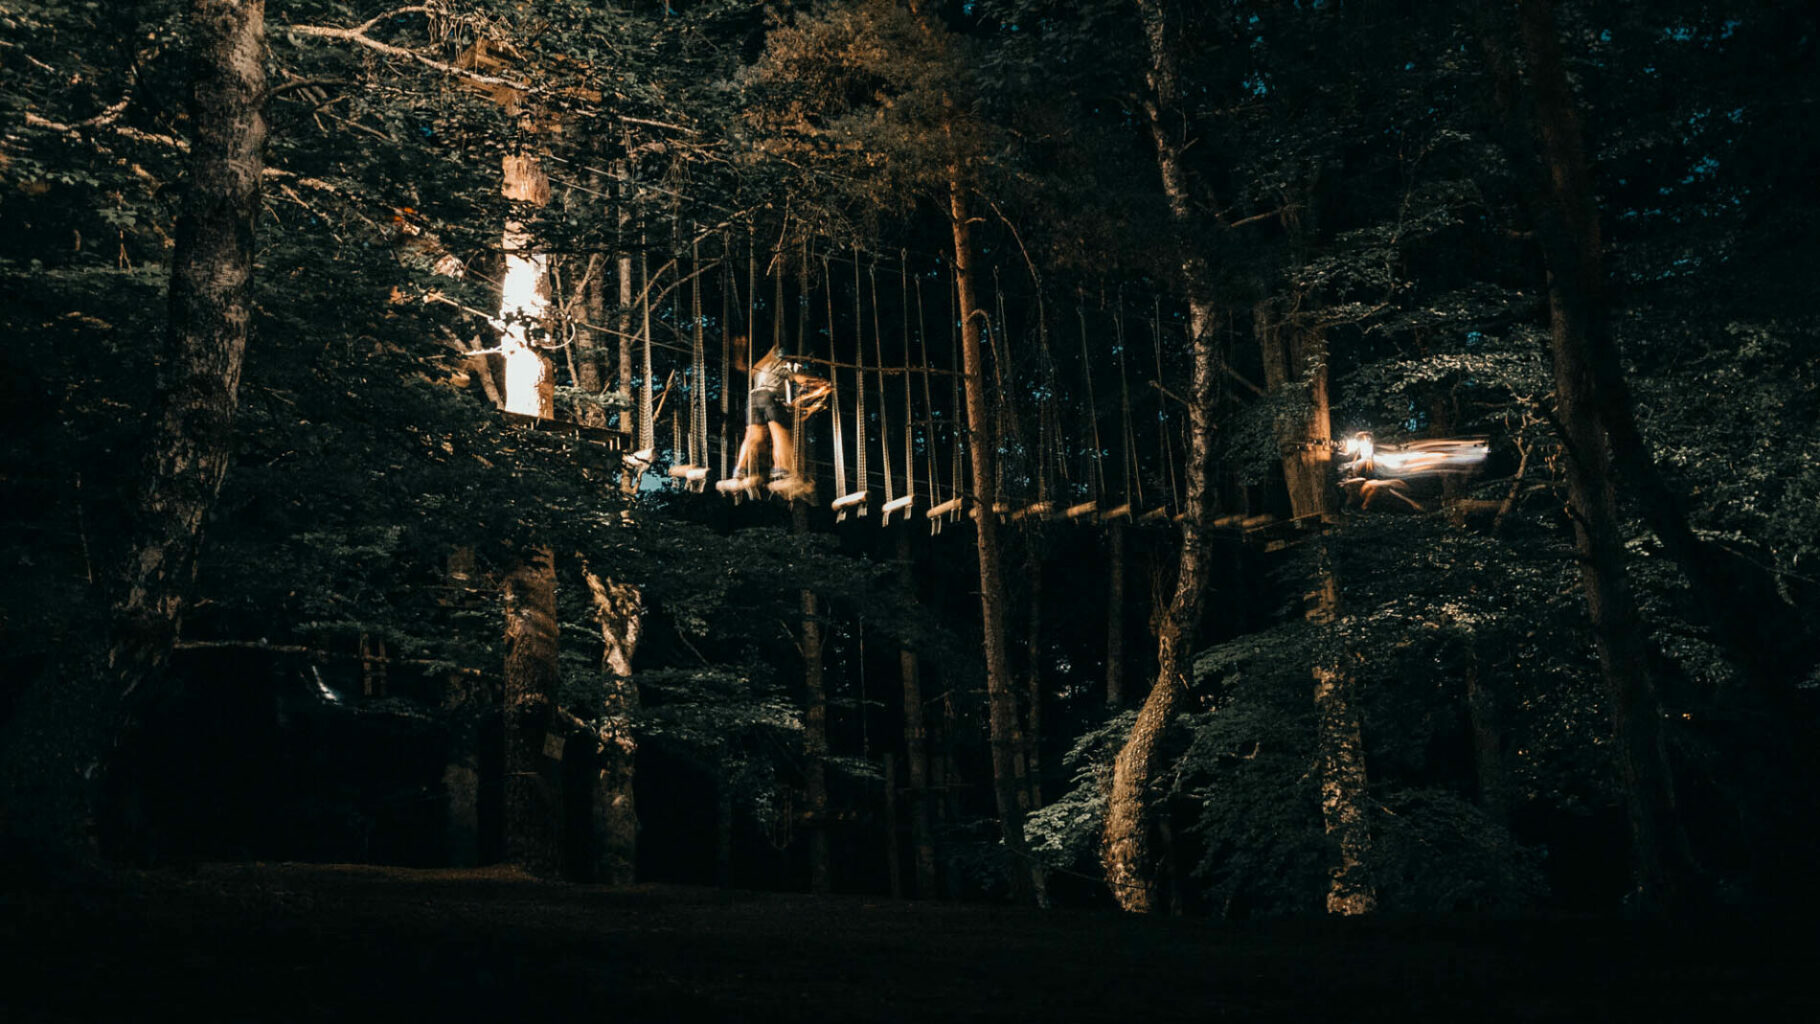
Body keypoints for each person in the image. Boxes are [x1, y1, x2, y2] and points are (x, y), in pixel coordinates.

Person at [722, 341, 827, 497]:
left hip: (753, 399)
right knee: (780, 435)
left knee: (753, 437)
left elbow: (747, 370)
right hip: (770, 397)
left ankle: (739, 473)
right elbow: (801, 379)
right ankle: (783, 472)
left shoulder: (762, 367)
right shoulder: (784, 365)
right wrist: (821, 383)